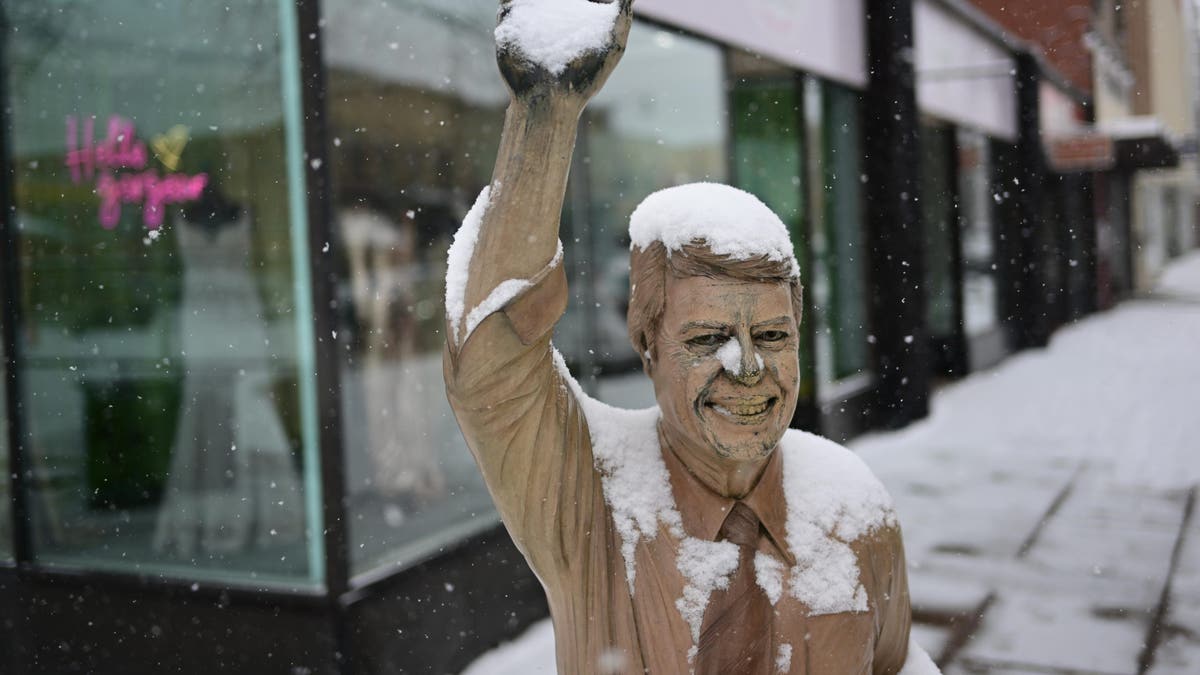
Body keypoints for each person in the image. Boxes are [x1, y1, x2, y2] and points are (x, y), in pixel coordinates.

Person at [444, 1, 938, 672]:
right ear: (648, 346)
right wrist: (547, 112)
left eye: (772, 333)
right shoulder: (593, 494)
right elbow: (489, 356)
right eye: (708, 338)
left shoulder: (854, 509)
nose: (748, 366)